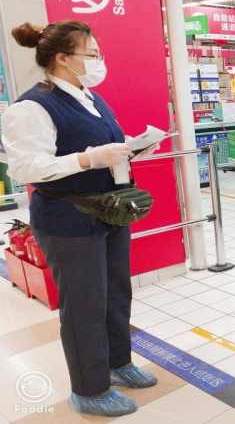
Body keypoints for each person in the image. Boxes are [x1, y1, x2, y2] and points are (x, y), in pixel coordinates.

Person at [1, 21, 159, 417]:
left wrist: (128, 151)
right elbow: (25, 167)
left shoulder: (90, 97)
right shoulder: (32, 107)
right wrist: (88, 159)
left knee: (116, 294)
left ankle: (118, 363)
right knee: (83, 304)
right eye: (92, 55)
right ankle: (90, 389)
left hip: (109, 212)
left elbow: (101, 147)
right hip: (67, 220)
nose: (99, 62)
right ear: (63, 58)